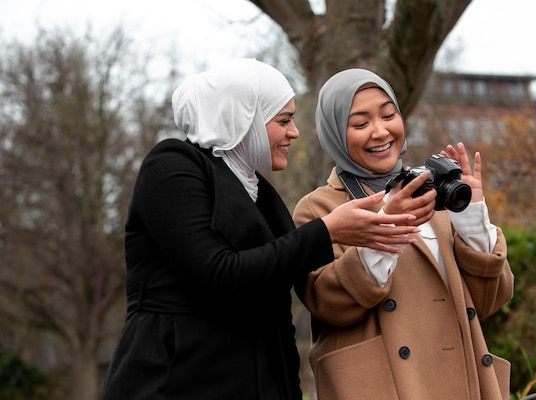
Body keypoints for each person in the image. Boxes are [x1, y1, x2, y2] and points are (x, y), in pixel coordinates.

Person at [100, 59, 420, 400]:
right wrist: (327, 232)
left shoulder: (263, 195)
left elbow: (277, 318)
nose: (294, 132)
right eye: (283, 120)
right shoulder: (172, 166)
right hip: (173, 381)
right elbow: (217, 273)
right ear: (244, 117)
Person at [293, 68, 514, 400]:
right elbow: (328, 304)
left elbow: (489, 301)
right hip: (383, 387)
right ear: (335, 134)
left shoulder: (434, 195)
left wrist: (471, 218)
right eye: (360, 123)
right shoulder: (319, 207)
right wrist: (386, 225)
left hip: (462, 383)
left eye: (388, 114)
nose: (380, 132)